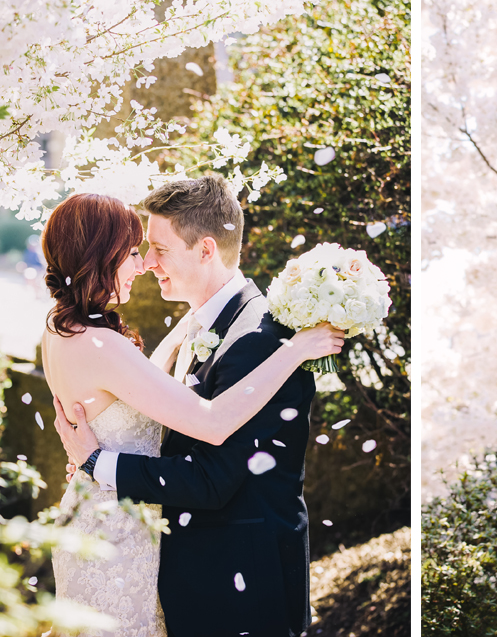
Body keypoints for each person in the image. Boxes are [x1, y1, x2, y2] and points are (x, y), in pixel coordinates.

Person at [41, 186, 344, 637]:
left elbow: (212, 474)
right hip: (127, 545)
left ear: (205, 250)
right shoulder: (105, 342)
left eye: (156, 249)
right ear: (97, 257)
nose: (144, 263)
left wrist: (97, 462)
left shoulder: (62, 328)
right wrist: (94, 461)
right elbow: (208, 420)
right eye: (135, 252)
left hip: (239, 580)